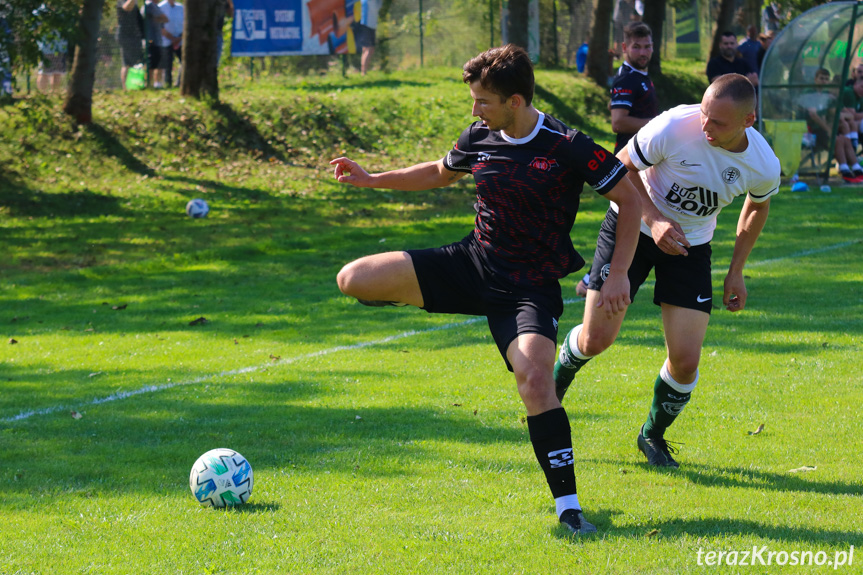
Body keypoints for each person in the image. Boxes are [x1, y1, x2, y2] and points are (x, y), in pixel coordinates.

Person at [330, 44, 642, 535]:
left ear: (515, 101)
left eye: (483, 101)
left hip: (528, 288)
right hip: (472, 265)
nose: (474, 110)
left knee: (536, 381)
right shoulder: (480, 134)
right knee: (353, 278)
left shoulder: (567, 144)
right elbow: (439, 171)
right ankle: (438, 303)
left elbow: (630, 197)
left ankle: (569, 507)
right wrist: (372, 180)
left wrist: (619, 272)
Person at [554, 74, 780, 469]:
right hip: (632, 229)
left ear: (749, 120)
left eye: (718, 122)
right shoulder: (676, 125)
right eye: (705, 114)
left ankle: (651, 436)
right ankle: (551, 389)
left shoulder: (763, 163)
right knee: (596, 340)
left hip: (690, 245)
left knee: (686, 359)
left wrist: (736, 271)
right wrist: (655, 219)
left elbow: (757, 207)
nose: (706, 126)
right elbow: (619, 167)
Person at [576, 22, 658, 299]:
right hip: (628, 163)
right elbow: (618, 122)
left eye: (647, 46)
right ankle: (591, 278)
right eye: (637, 46)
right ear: (625, 48)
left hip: (644, 162)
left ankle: (593, 277)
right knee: (625, 217)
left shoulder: (644, 77)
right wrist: (658, 125)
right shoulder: (626, 79)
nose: (643, 51)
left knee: (634, 217)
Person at [800, 68, 863, 182]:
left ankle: (856, 169)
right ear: (815, 79)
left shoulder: (826, 95)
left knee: (844, 138)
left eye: (826, 79)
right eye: (821, 78)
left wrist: (837, 104)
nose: (824, 81)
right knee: (837, 139)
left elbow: (837, 113)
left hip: (822, 128)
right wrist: (829, 129)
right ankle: (845, 171)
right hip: (808, 131)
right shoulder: (810, 92)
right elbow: (813, 115)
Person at [116, 0, 144, 90]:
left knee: (135, 62)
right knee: (127, 63)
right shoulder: (121, 1)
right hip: (125, 36)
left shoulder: (135, 4)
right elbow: (127, 7)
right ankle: (126, 88)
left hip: (135, 36)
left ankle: (134, 85)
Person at [157, 0, 183, 87]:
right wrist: (172, 38)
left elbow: (186, 23)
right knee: (167, 65)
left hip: (180, 40)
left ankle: (179, 83)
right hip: (166, 40)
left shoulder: (181, 7)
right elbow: (160, 27)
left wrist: (180, 38)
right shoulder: (160, 7)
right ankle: (168, 84)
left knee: (184, 61)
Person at [142, 0, 168, 88]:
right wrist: (159, 19)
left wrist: (157, 19)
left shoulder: (156, 6)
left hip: (157, 40)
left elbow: (165, 20)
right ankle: (148, 84)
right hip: (151, 40)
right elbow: (164, 18)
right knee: (151, 64)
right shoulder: (149, 5)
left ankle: (156, 84)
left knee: (158, 63)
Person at [353, 0, 381, 75]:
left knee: (369, 49)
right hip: (366, 25)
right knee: (368, 49)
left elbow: (378, 7)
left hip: (371, 25)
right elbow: (376, 7)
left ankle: (364, 71)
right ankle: (363, 72)